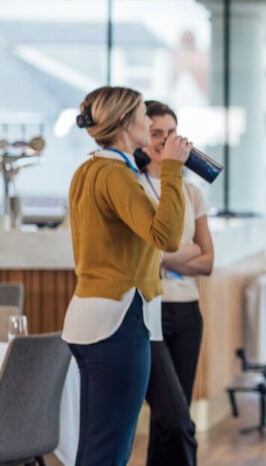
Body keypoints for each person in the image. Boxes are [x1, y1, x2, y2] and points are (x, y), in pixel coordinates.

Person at [62, 86, 191, 465]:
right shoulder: (116, 175)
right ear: (123, 123)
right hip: (117, 321)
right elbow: (165, 236)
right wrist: (172, 169)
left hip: (88, 317)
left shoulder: (87, 169)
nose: (149, 121)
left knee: (95, 446)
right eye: (141, 113)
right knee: (111, 450)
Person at [139, 101, 214, 466]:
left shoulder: (191, 192)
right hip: (148, 311)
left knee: (172, 415)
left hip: (186, 312)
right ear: (142, 136)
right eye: (156, 133)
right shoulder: (133, 186)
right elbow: (142, 254)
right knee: (173, 416)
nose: (164, 141)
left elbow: (208, 260)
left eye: (170, 133)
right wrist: (181, 253)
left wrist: (162, 255)